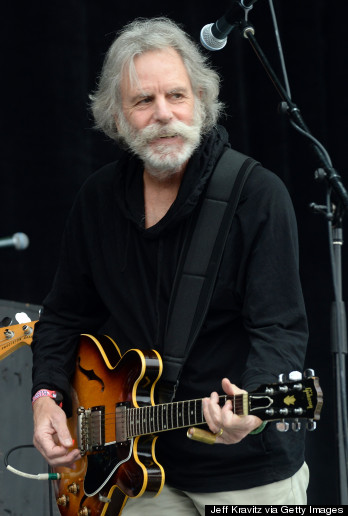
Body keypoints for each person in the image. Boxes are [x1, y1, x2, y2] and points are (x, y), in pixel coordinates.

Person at [31, 17, 309, 513]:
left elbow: (279, 328)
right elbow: (64, 315)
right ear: (117, 116)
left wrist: (257, 405)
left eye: (177, 96)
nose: (163, 114)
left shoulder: (257, 195)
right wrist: (47, 397)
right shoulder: (97, 200)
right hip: (134, 474)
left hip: (246, 472)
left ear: (201, 101)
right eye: (143, 101)